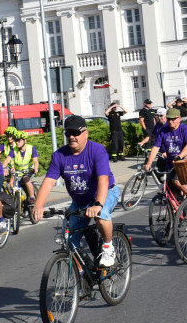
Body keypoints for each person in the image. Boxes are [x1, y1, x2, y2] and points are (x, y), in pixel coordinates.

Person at [33, 115, 121, 270]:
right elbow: (48, 182)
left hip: (105, 193)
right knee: (68, 240)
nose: (72, 137)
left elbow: (103, 180)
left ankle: (108, 247)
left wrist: (98, 204)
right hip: (80, 201)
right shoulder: (59, 155)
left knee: (101, 215)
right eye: (68, 133)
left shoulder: (96, 150)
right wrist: (39, 205)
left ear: (85, 133)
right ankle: (81, 277)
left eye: (76, 133)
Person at [144, 107, 187, 197]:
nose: (170, 121)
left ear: (179, 118)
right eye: (169, 119)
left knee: (177, 181)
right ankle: (175, 210)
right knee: (171, 192)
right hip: (170, 164)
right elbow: (155, 147)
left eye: (173, 119)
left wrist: (185, 159)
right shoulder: (163, 131)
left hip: (184, 164)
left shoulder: (184, 129)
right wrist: (149, 163)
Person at [5, 132, 39, 208]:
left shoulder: (31, 148)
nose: (17, 143)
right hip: (18, 172)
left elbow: (36, 161)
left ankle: (32, 197)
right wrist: (3, 168)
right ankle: (18, 201)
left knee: (25, 178)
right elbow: (7, 160)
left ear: (25, 141)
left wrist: (35, 168)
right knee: (11, 184)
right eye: (16, 141)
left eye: (19, 141)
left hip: (29, 171)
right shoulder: (14, 149)